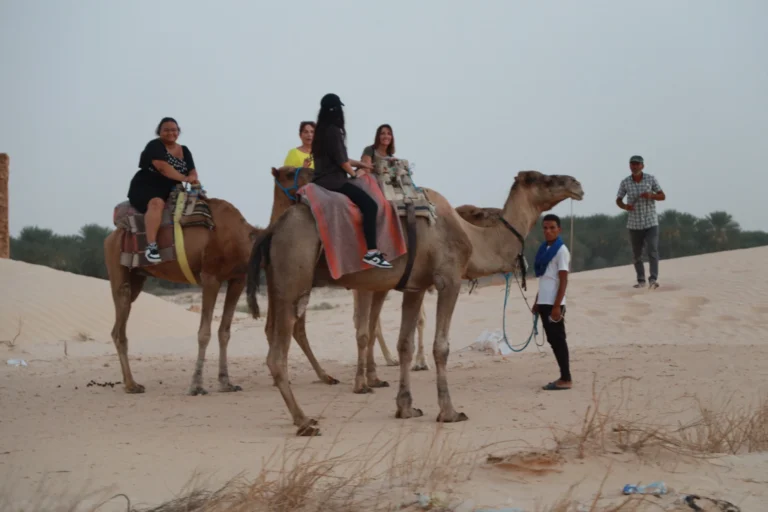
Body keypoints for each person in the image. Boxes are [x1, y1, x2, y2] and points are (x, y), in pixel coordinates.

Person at [311, 93, 393, 269]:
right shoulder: (334, 131)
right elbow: (342, 162)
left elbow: (342, 158)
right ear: (337, 110)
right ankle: (372, 251)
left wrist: (363, 165)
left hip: (321, 179)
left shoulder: (321, 130)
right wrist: (354, 175)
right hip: (334, 181)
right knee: (371, 205)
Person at [127, 117, 198, 263]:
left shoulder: (184, 150)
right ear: (159, 132)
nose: (170, 133)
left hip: (172, 189)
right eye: (166, 130)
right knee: (156, 204)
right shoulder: (154, 145)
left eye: (174, 130)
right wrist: (185, 179)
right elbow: (163, 168)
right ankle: (151, 246)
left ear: (178, 132)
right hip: (148, 185)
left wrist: (193, 180)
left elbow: (192, 171)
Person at [531, 214, 572, 391]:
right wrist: (537, 301)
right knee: (553, 340)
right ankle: (563, 376)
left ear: (559, 229)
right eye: (545, 228)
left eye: (552, 228)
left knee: (558, 340)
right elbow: (546, 279)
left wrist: (557, 306)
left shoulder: (561, 251)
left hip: (554, 303)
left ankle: (566, 378)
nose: (548, 231)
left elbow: (563, 280)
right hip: (544, 301)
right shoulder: (544, 250)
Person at [615, 155, 666, 289]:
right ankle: (641, 281)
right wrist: (625, 206)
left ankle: (653, 280)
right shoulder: (625, 182)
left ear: (642, 166)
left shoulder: (650, 179)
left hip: (651, 222)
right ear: (629, 166)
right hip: (634, 224)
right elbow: (618, 200)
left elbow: (662, 196)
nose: (635, 166)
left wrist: (651, 195)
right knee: (637, 254)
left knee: (652, 250)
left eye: (637, 164)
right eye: (632, 164)